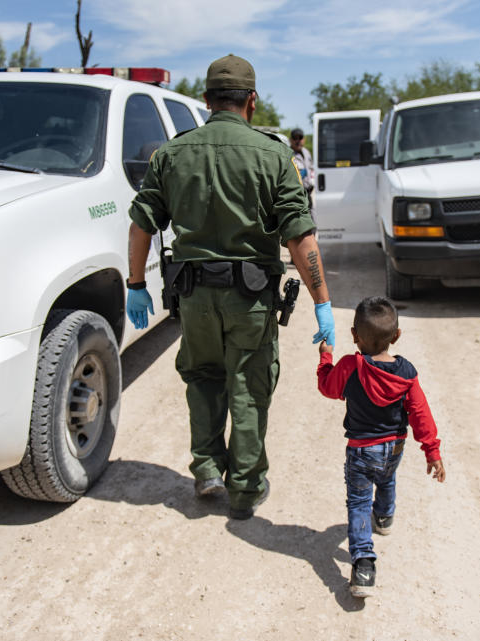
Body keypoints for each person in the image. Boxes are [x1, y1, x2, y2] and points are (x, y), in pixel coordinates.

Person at [125, 54, 335, 520]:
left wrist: (135, 284)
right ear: (252, 101)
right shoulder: (275, 153)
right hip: (251, 298)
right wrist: (323, 303)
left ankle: (206, 469)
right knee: (249, 384)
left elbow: (141, 225)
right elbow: (299, 237)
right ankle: (244, 490)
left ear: (206, 101)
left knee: (202, 377)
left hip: (194, 297)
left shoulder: (172, 153)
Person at [316, 296, 445, 597]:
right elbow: (421, 414)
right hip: (394, 448)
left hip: (361, 451)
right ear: (397, 336)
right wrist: (432, 451)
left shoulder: (350, 366)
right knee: (387, 478)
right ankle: (385, 517)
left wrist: (325, 357)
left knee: (359, 504)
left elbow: (327, 387)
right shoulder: (407, 373)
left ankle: (363, 565)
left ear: (354, 335)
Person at [289, 128, 315, 221]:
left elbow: (311, 168)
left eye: (300, 138)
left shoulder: (306, 152)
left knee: (312, 221)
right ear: (290, 140)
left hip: (308, 193)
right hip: (296, 196)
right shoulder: (288, 154)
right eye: (295, 138)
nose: (298, 141)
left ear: (303, 139)